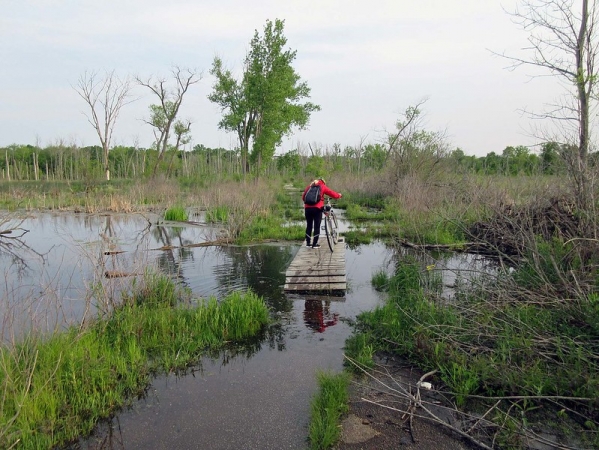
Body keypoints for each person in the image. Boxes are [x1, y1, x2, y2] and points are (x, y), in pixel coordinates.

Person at [302, 177, 342, 248]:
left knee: (309, 225)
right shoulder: (322, 186)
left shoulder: (309, 187)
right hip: (317, 209)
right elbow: (331, 193)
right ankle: (314, 244)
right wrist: (339, 195)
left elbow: (303, 197)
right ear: (323, 182)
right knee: (317, 226)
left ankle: (308, 243)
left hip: (307, 208)